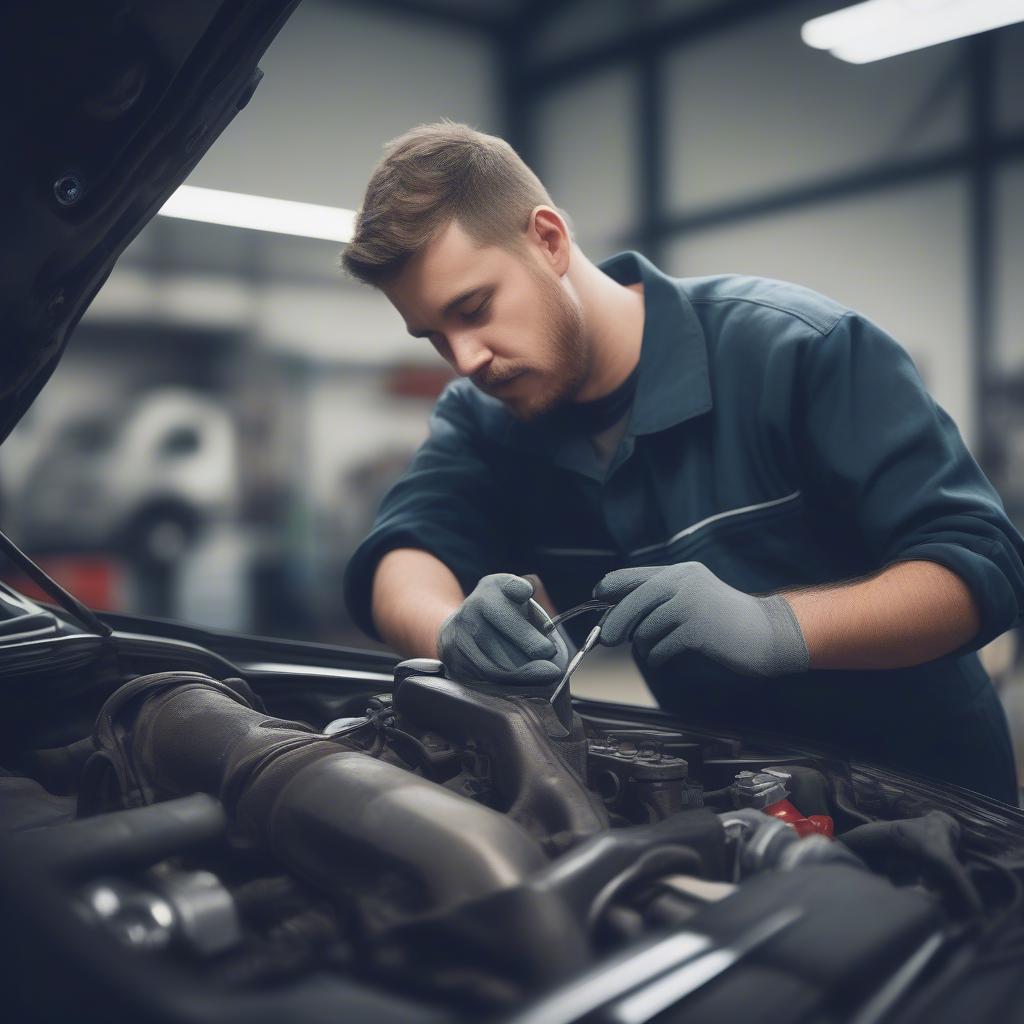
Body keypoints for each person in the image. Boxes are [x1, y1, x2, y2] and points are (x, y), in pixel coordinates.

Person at [340, 121, 1024, 803]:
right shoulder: (483, 420)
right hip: (732, 796)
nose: (465, 359)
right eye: (434, 335)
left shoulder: (798, 350)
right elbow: (404, 555)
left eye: (475, 308)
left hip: (934, 795)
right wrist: (450, 630)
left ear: (547, 240)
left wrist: (775, 627)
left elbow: (980, 565)